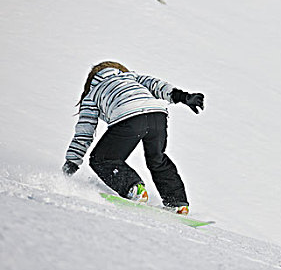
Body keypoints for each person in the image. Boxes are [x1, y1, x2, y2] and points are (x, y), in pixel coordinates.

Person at [62, 61, 204, 215]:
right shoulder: (132, 78)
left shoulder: (92, 94)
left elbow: (84, 132)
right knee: (157, 159)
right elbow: (156, 85)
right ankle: (177, 202)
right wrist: (183, 97)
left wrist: (72, 162)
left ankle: (133, 188)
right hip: (157, 115)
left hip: (130, 118)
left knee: (102, 159)